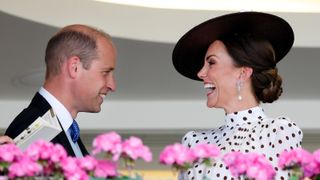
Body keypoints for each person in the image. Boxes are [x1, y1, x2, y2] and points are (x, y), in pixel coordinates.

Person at [172, 12, 303, 179]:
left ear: (243, 73)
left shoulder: (278, 131)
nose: (200, 73)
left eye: (211, 62)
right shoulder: (194, 142)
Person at [5, 24, 117, 157]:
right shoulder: (33, 129)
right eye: (105, 72)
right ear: (74, 67)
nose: (112, 85)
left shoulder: (66, 131)